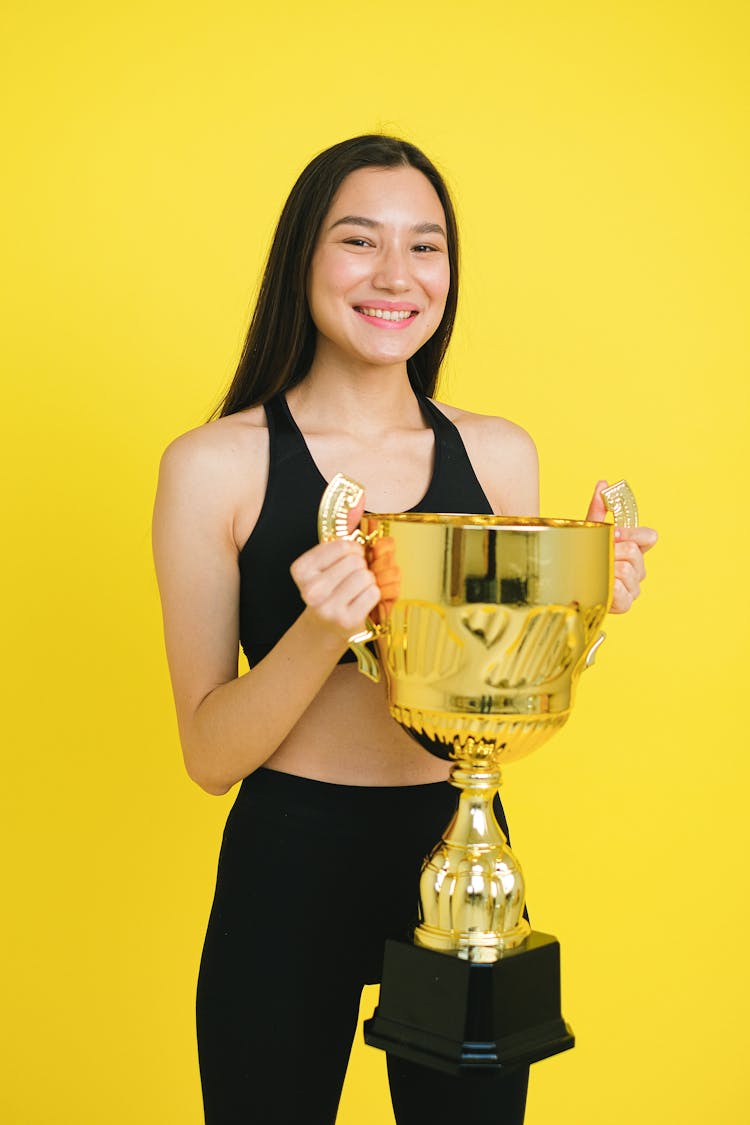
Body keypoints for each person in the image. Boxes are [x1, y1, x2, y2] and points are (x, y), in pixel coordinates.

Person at [152, 135, 657, 1125]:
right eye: (359, 241)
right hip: (288, 861)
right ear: (303, 259)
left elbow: (499, 684)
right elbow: (209, 757)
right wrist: (318, 628)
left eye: (425, 247)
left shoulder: (501, 456)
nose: (396, 276)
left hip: (462, 853)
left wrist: (586, 598)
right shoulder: (213, 467)